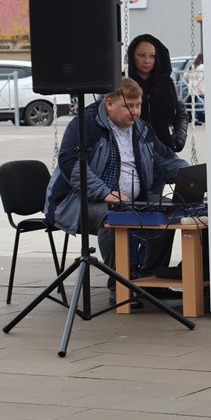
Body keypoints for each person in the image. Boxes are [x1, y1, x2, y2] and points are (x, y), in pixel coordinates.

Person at [45, 78, 189, 305]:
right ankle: (121, 285)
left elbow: (168, 162)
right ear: (110, 103)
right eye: (128, 106)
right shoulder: (86, 124)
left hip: (132, 200)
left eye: (138, 105)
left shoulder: (141, 129)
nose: (135, 112)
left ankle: (148, 280)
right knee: (111, 217)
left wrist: (193, 176)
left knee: (168, 212)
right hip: (80, 202)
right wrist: (103, 192)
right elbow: (70, 164)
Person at [126, 34, 189, 156]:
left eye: (152, 56)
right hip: (134, 153)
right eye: (141, 55)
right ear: (132, 57)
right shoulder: (124, 84)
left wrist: (179, 138)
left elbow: (182, 113)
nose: (147, 61)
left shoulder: (168, 84)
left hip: (166, 151)